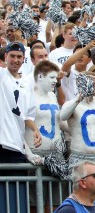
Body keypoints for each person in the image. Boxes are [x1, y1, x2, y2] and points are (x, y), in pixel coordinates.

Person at [0, 41, 42, 213]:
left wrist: (35, 130)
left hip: (18, 146)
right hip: (2, 142)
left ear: (24, 59)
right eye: (12, 56)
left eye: (19, 57)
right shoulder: (2, 75)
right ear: (5, 58)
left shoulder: (26, 83)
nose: (15, 60)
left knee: (17, 198)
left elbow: (27, 115)